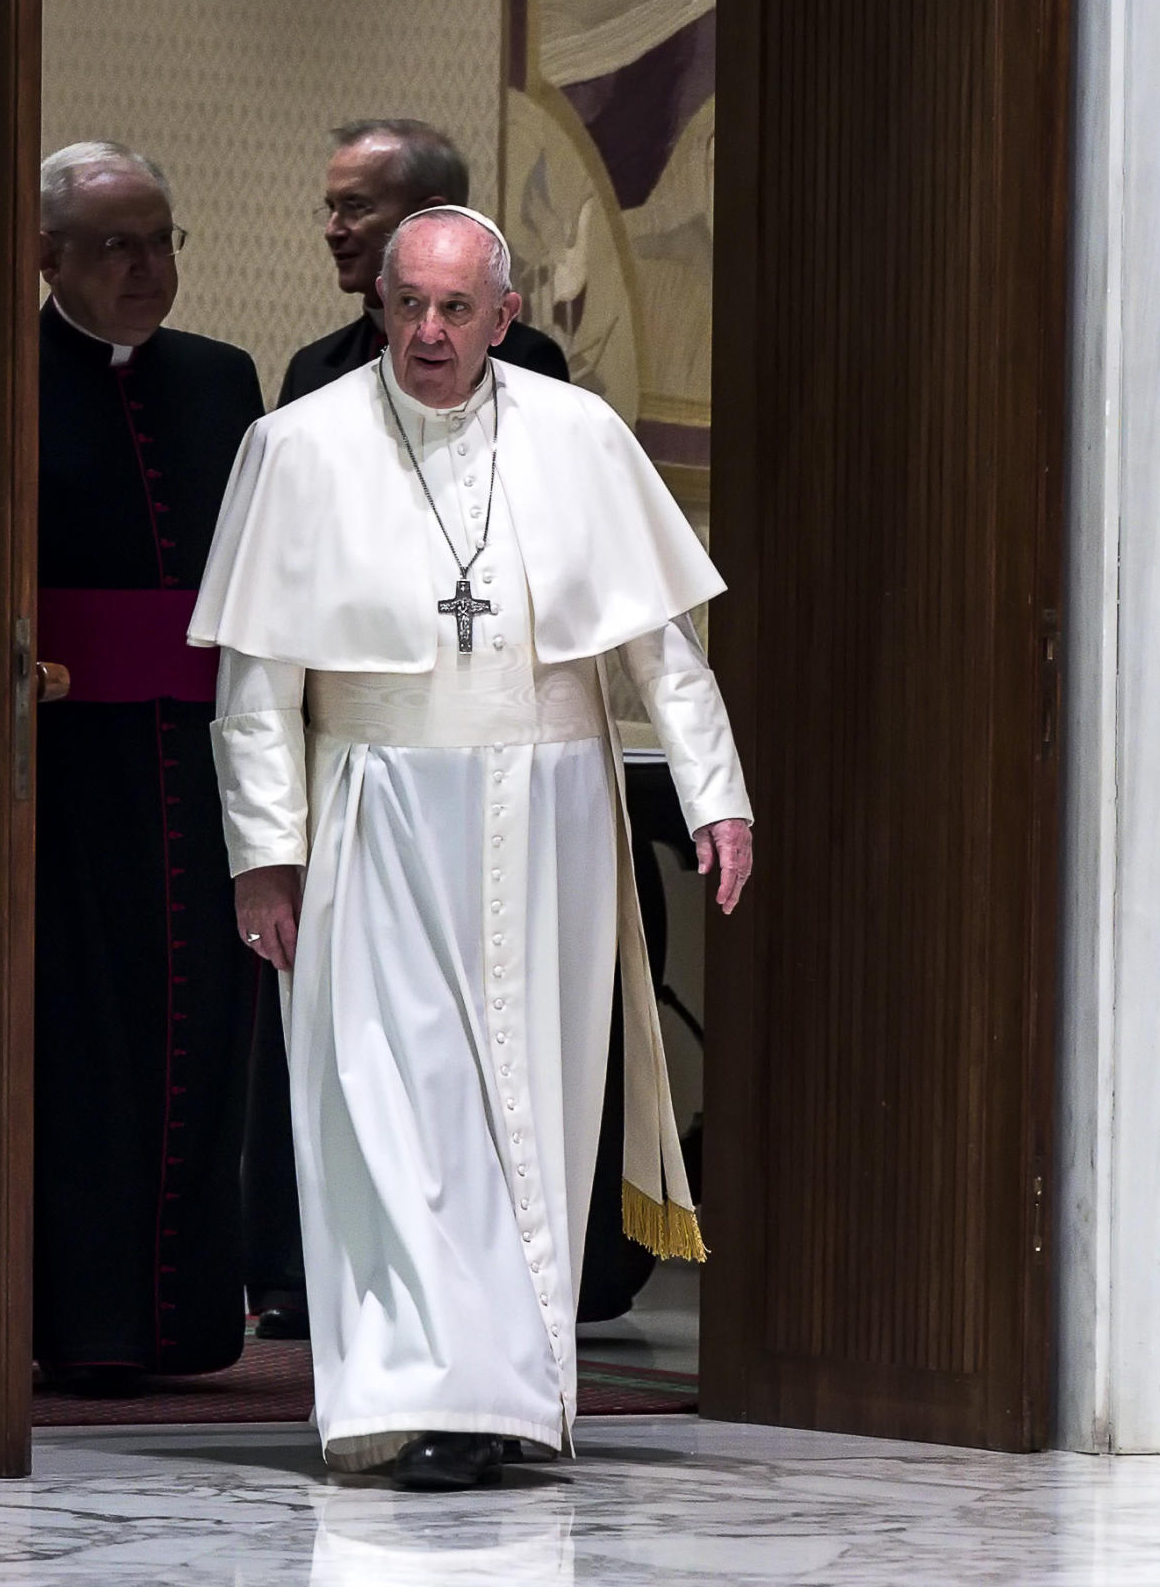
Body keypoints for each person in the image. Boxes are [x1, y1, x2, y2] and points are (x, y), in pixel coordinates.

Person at [193, 206, 757, 1489]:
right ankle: (409, 1391)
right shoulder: (298, 445)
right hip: (375, 811)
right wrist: (263, 853)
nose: (430, 332)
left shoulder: (579, 436)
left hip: (547, 804)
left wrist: (719, 793)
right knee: (397, 1101)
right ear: (379, 306)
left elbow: (660, 643)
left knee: (530, 1102)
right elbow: (255, 677)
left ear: (506, 317)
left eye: (457, 309)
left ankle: (508, 1394)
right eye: (409, 306)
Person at [31, 140, 270, 1387]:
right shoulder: (3, 372)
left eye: (164, 238)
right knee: (84, 1042)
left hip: (203, 762)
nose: (148, 266)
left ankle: (185, 1323)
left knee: (204, 1026)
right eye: (118, 243)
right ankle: (81, 1326)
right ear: (48, 256)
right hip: (59, 775)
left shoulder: (222, 380)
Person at [277, 119, 573, 406]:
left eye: (355, 207)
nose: (333, 230)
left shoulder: (524, 362)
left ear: (431, 213)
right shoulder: (312, 368)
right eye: (331, 208)